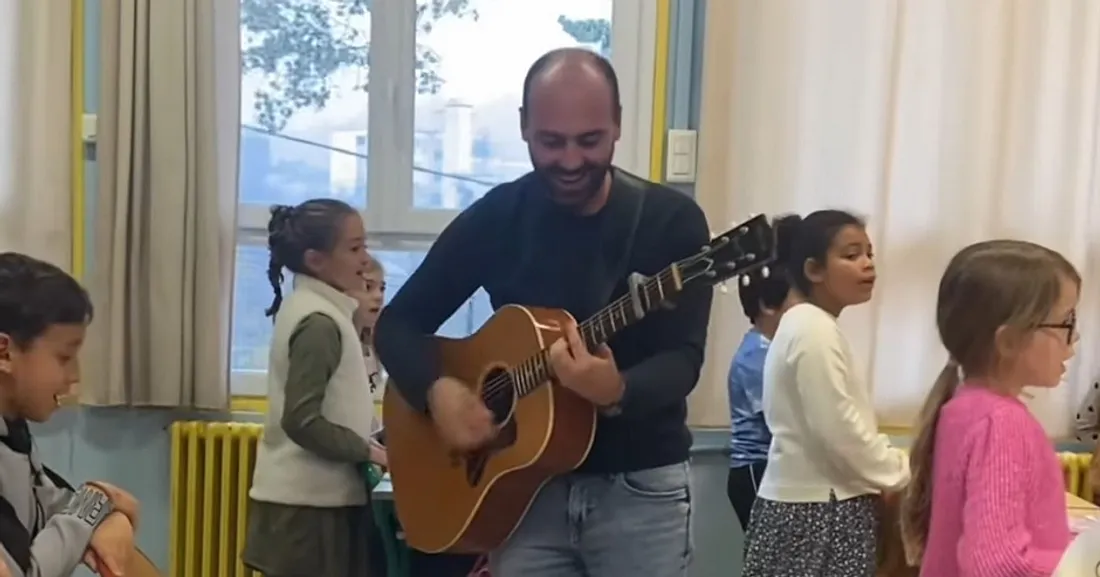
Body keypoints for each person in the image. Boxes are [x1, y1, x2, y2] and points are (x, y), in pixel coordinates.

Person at [373, 47, 712, 577]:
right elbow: (398, 325)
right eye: (551, 142)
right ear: (525, 127)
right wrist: (439, 392)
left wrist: (618, 390)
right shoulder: (497, 219)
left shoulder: (670, 223)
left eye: (590, 140)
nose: (571, 161)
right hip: (522, 493)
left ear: (618, 126)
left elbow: (684, 359)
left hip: (640, 492)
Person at [740, 210, 910, 577]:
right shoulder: (812, 330)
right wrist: (900, 471)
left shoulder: (809, 325)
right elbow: (839, 430)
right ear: (814, 270)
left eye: (869, 254)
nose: (868, 265)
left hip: (812, 505)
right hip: (818, 511)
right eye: (851, 256)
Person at [900, 240, 1077, 576]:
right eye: (1066, 323)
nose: (1075, 338)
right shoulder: (1001, 423)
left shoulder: (963, 406)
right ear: (1009, 341)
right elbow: (997, 563)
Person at [242, 199, 388, 577]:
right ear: (316, 260)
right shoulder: (318, 322)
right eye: (354, 248)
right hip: (308, 513)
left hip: (321, 507)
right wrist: (369, 452)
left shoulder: (325, 311)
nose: (364, 258)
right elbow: (302, 419)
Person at [0, 252, 140, 577]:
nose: (74, 376)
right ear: (4, 352)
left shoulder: (12, 427)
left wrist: (102, 506)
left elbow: (51, 503)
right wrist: (96, 502)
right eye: (64, 357)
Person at [726, 216, 797, 531]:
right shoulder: (757, 354)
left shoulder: (775, 348)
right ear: (769, 305)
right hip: (755, 470)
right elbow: (781, 420)